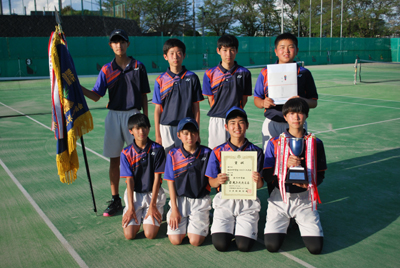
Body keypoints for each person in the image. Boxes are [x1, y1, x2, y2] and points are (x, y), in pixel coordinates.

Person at [81, 29, 151, 216]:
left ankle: (138, 197)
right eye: (115, 42)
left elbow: (144, 95)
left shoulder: (138, 66)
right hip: (113, 116)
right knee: (114, 159)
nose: (119, 45)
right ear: (111, 45)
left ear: (128, 44)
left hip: (134, 116)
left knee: (138, 158)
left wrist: (144, 118)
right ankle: (116, 200)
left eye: (122, 41)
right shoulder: (106, 69)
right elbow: (96, 96)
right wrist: (77, 88)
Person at [263, 98, 327, 254]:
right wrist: (283, 165)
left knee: (315, 248)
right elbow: (266, 175)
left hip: (305, 198)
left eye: (300, 113)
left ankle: (301, 220)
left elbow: (320, 175)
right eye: (292, 113)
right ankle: (287, 220)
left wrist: (310, 184)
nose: (296, 117)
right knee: (272, 246)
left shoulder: (315, 143)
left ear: (306, 115)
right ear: (285, 117)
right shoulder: (275, 143)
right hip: (280, 199)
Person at [206, 107, 264, 252]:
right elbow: (211, 182)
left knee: (244, 246)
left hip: (247, 202)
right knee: (220, 245)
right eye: (232, 123)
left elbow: (260, 185)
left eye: (241, 122)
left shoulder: (256, 152)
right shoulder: (218, 151)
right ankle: (229, 226)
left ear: (247, 125)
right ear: (226, 126)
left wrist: (257, 180)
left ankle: (242, 227)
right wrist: (218, 180)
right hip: (225, 200)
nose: (237, 127)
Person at [254, 33, 318, 152]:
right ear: (276, 51)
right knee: (270, 158)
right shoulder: (265, 72)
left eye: (290, 47)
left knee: (297, 158)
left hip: (297, 123)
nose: (286, 51)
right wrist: (263, 103)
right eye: (282, 47)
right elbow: (257, 100)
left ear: (297, 50)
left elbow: (314, 102)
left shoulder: (304, 73)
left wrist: (301, 101)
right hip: (272, 122)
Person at [164, 117, 212, 246]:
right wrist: (174, 209)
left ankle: (201, 219)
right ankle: (189, 224)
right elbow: (170, 182)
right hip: (179, 201)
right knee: (175, 240)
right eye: (185, 133)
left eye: (193, 133)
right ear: (179, 135)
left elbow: (212, 179)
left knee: (195, 241)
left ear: (197, 134)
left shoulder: (207, 153)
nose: (189, 137)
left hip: (199, 201)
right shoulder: (173, 154)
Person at [153, 38, 204, 154]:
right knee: (169, 163)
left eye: (178, 53)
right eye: (171, 53)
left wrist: (197, 132)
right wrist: (158, 135)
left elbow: (196, 108)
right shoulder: (160, 80)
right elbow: (157, 110)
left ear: (184, 55)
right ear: (165, 56)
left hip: (187, 128)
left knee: (186, 161)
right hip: (166, 127)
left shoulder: (192, 78)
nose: (175, 57)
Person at [120, 113, 166, 240]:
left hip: (153, 194)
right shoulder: (126, 153)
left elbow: (157, 178)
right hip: (135, 195)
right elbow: (129, 181)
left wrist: (153, 205)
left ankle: (154, 211)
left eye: (145, 127)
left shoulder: (158, 149)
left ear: (149, 128)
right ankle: (137, 213)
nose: (142, 131)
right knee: (129, 235)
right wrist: (130, 207)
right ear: (131, 131)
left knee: (150, 234)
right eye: (137, 128)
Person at [202, 35, 252, 149]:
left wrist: (235, 113)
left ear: (237, 51)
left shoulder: (244, 73)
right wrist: (220, 111)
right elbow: (210, 99)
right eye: (225, 50)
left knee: (237, 153)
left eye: (232, 50)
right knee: (216, 153)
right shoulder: (210, 73)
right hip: (217, 120)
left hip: (236, 121)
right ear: (218, 51)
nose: (228, 54)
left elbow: (244, 98)